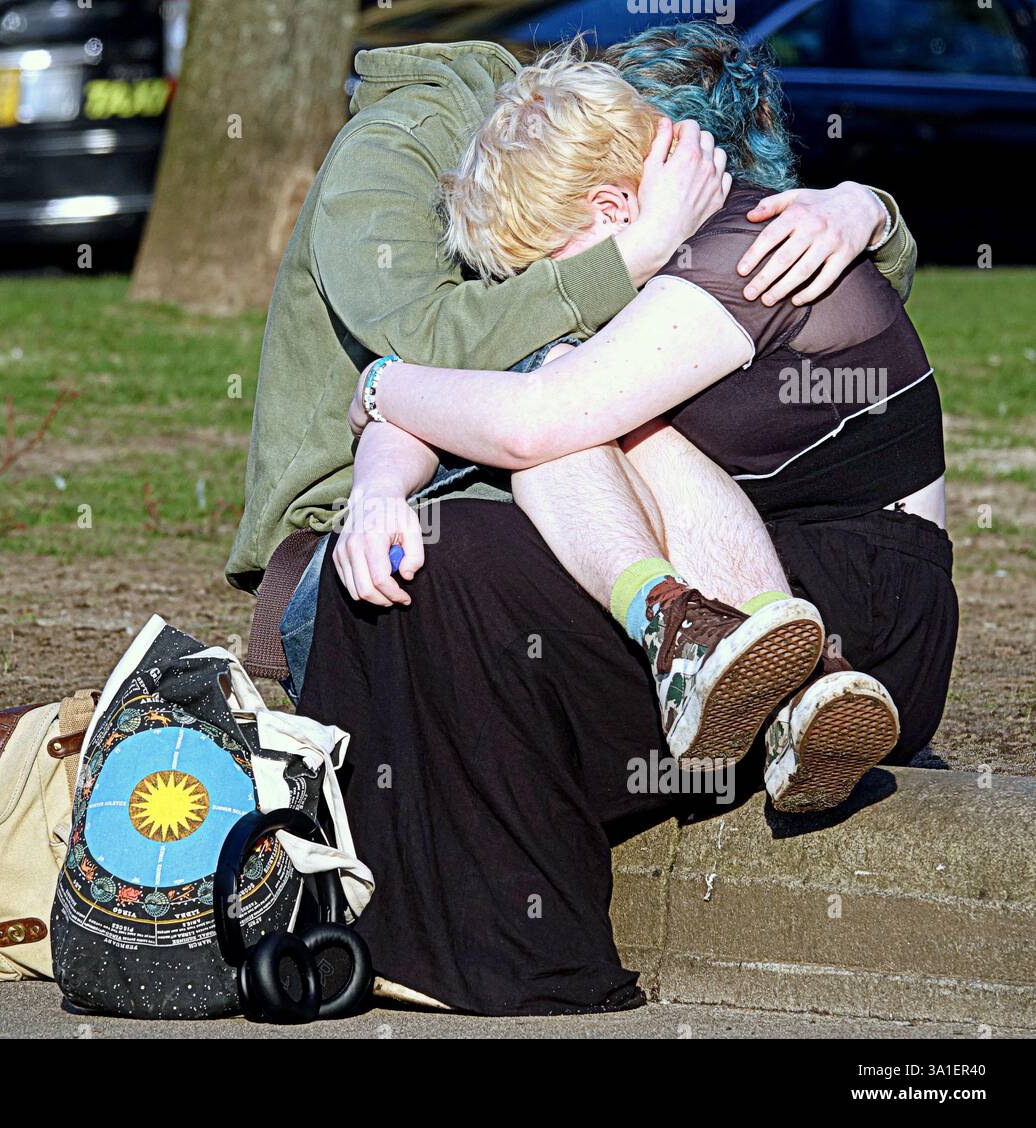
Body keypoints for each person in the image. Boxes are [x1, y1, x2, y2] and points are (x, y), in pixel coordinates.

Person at [231, 31, 920, 1017]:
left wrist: (862, 211)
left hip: (537, 486)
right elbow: (440, 360)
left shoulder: (613, 197)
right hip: (360, 532)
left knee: (587, 409)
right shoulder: (397, 161)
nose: (692, 185)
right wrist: (382, 465)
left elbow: (816, 299)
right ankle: (760, 659)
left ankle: (728, 649)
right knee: (569, 407)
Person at [345, 26, 955, 814]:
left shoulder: (749, 249)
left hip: (870, 617)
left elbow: (529, 422)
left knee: (562, 417)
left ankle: (691, 638)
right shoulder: (671, 255)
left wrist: (380, 382)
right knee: (567, 409)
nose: (552, 294)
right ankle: (731, 663)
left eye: (547, 265)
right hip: (777, 610)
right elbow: (485, 395)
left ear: (613, 205)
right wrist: (376, 485)